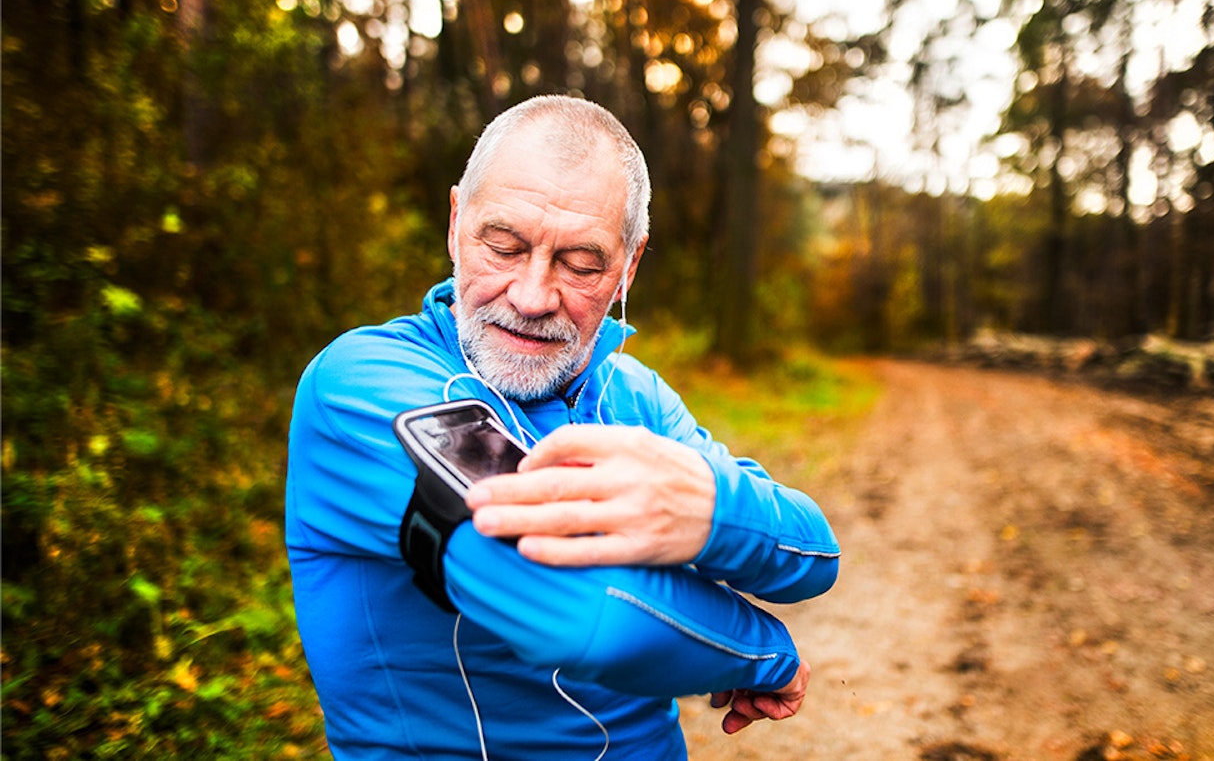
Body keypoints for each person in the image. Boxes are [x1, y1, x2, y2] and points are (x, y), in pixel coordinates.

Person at [285, 94, 840, 760]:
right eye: (504, 245)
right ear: (457, 222)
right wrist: (767, 655)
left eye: (581, 263)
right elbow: (587, 615)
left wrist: (709, 509)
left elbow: (812, 554)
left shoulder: (633, 393)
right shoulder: (364, 383)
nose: (531, 296)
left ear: (628, 266)